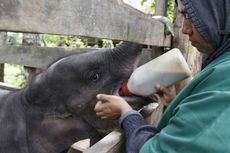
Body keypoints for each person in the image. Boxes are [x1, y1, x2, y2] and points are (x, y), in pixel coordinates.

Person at [94, 0, 230, 152]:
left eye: (192, 16)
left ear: (219, 14)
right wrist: (173, 104)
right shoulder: (221, 63)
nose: (185, 29)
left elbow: (159, 150)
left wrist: (126, 113)